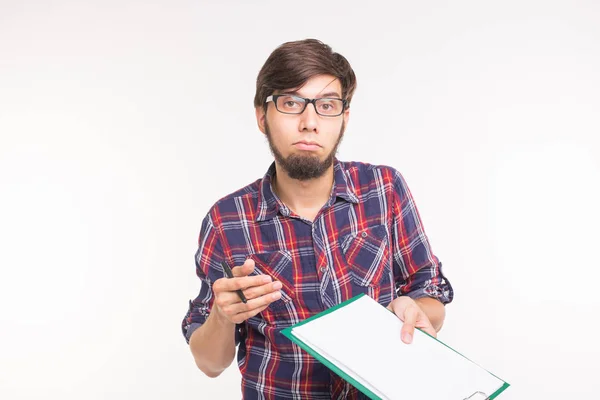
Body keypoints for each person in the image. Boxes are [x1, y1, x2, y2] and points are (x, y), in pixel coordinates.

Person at [182, 38, 454, 399]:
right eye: (292, 103)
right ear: (262, 116)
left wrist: (414, 310)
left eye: (326, 106)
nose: (310, 123)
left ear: (344, 118)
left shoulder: (384, 189)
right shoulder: (227, 219)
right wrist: (222, 315)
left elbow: (430, 293)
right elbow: (209, 364)